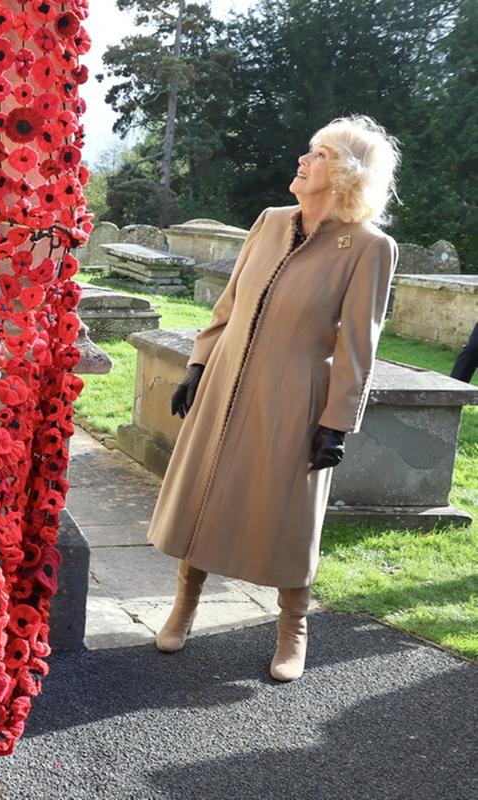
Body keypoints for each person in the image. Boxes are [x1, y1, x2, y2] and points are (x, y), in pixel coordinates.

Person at [146, 115, 401, 682]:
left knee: (292, 512)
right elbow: (230, 302)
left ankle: (293, 628)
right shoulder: (270, 220)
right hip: (225, 382)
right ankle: (184, 607)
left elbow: (358, 345)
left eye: (318, 153)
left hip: (296, 396)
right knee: (206, 493)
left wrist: (336, 422)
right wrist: (198, 363)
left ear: (344, 173)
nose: (303, 160)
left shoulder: (367, 247)